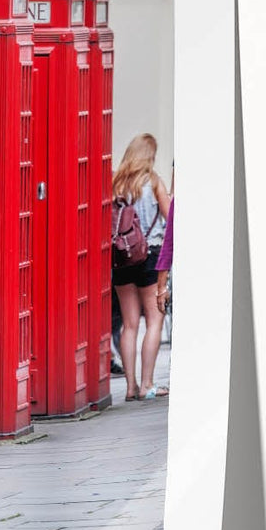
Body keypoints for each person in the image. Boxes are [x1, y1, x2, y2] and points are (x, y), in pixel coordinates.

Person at [111, 133, 171, 401]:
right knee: (155, 319)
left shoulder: (116, 183)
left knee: (130, 324)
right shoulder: (153, 180)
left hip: (122, 258)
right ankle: (147, 385)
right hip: (150, 256)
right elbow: (171, 218)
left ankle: (130, 387)